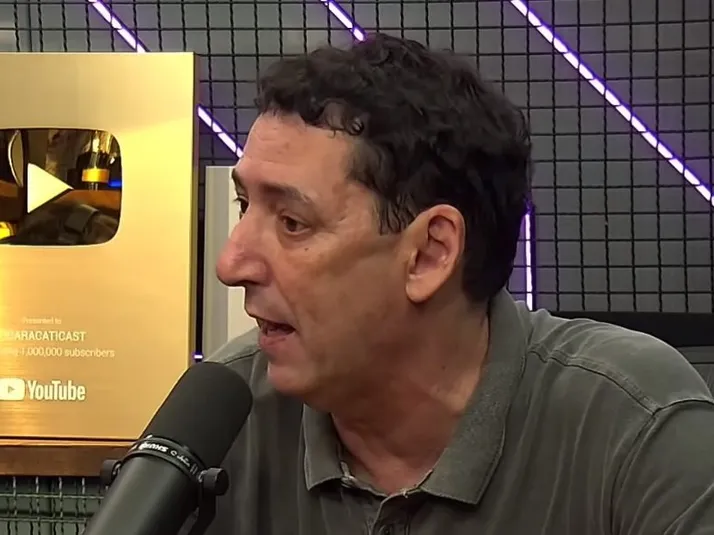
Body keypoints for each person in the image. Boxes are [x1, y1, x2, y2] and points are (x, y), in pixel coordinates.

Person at [204, 34, 714, 534]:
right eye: (244, 206)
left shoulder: (633, 424)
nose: (230, 264)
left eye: (292, 222)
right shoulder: (218, 424)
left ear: (429, 254)